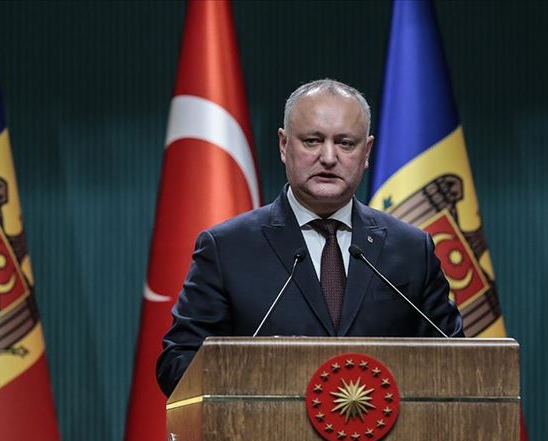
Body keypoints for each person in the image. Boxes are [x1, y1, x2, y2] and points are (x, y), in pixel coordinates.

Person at [156, 79, 464, 397]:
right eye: (312, 141)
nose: (328, 157)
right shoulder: (227, 249)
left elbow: (455, 362)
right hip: (264, 428)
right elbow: (179, 364)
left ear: (367, 152)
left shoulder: (412, 250)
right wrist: (257, 379)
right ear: (284, 145)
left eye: (345, 143)